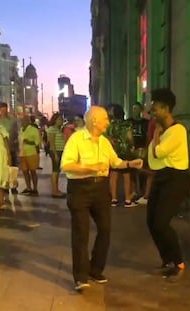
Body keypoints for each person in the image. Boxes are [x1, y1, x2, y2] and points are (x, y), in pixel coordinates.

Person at [61, 105, 143, 292]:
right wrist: (89, 168)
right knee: (81, 234)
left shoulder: (104, 142)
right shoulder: (76, 139)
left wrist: (131, 163)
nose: (108, 121)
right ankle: (81, 277)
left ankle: (95, 269)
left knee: (105, 230)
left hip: (100, 189)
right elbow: (67, 165)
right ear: (94, 121)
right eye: (105, 118)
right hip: (80, 189)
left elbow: (115, 162)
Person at [146, 88, 190, 282]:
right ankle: (167, 260)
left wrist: (156, 138)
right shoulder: (164, 131)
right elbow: (152, 156)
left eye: (155, 108)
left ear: (166, 109)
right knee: (151, 220)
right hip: (162, 177)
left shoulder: (177, 130)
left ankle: (178, 261)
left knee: (161, 222)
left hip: (176, 179)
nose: (152, 112)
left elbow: (158, 152)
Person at [105, 104, 138, 207]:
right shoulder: (127, 124)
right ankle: (127, 199)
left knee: (113, 175)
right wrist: (132, 146)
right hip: (125, 151)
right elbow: (129, 137)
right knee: (126, 176)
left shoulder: (109, 125)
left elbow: (107, 138)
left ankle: (114, 199)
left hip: (114, 152)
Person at [0, 102, 19, 194]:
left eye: (5, 109)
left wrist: (16, 143)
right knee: (3, 168)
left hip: (12, 147)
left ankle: (13, 186)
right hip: (1, 148)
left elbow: (16, 133)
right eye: (2, 109)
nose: (4, 111)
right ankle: (5, 186)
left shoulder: (12, 121)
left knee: (13, 168)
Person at [19, 115, 41, 196]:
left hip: (31, 153)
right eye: (21, 121)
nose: (22, 122)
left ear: (28, 121)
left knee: (32, 171)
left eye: (24, 121)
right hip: (22, 153)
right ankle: (28, 188)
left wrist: (27, 142)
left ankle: (35, 189)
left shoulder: (33, 130)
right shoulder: (21, 130)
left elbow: (37, 142)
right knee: (25, 172)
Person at [46, 112, 66, 198]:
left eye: (61, 119)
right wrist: (55, 154)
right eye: (59, 119)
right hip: (56, 151)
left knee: (57, 171)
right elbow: (52, 142)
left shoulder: (58, 129)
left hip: (60, 151)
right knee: (55, 171)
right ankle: (54, 190)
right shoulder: (52, 129)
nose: (61, 121)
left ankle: (56, 189)